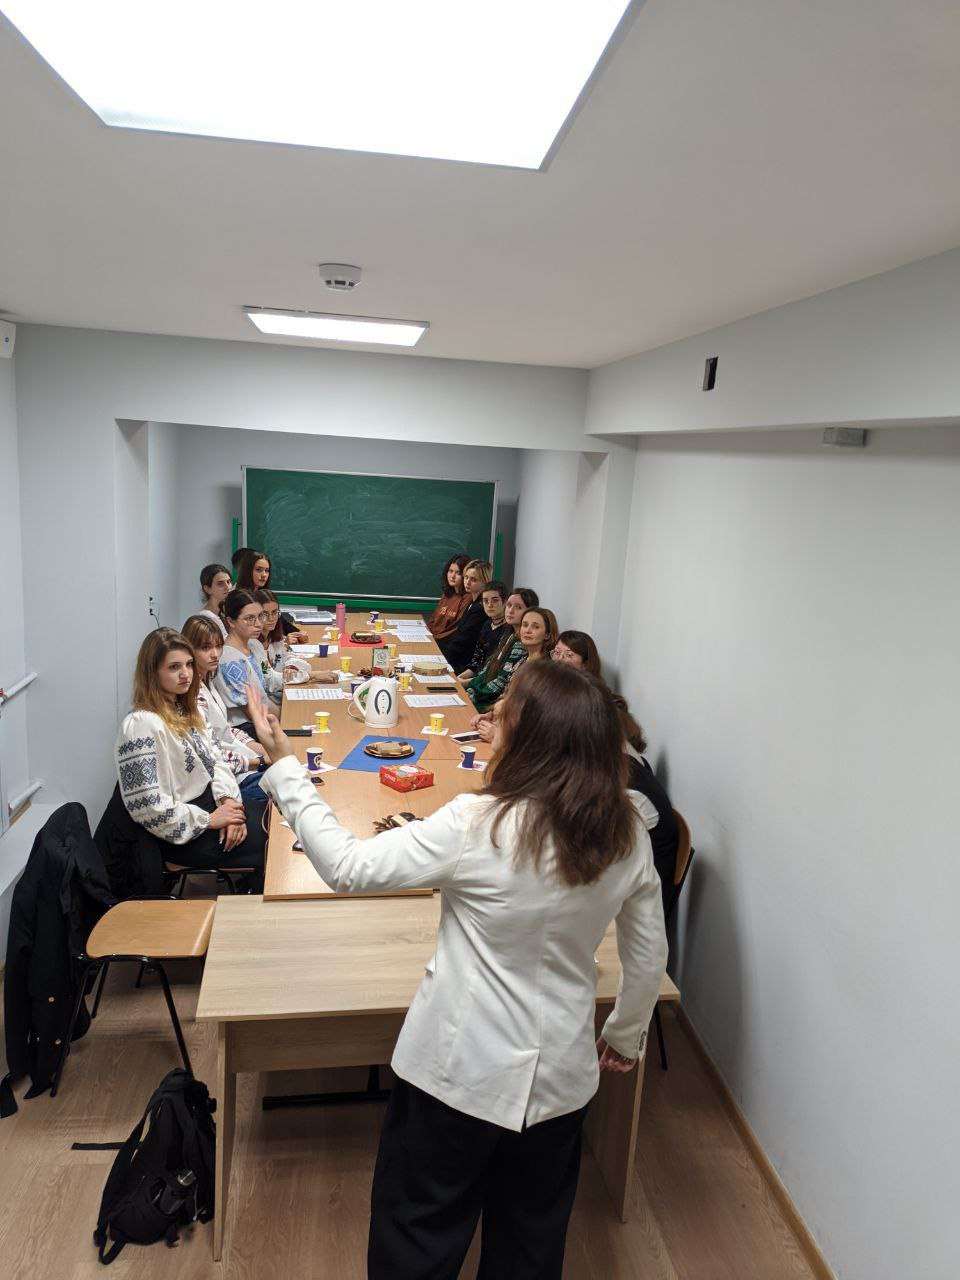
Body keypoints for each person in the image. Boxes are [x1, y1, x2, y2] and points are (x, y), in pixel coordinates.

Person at [247, 661, 668, 1280]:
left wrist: (286, 767)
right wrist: (626, 1034)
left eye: (507, 711)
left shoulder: (478, 823)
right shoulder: (627, 830)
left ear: (533, 737)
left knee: (419, 1237)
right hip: (560, 1080)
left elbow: (346, 867)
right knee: (529, 1245)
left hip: (456, 1074)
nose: (494, 716)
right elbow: (648, 952)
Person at [108, 628, 265, 888]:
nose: (185, 674)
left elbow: (216, 761)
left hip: (214, 805)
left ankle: (253, 890)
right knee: (273, 843)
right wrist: (210, 820)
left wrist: (230, 804)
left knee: (278, 820)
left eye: (189, 664)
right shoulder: (140, 725)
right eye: (174, 667)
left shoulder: (186, 709)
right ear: (152, 672)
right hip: (182, 834)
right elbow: (148, 807)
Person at [181, 614, 269, 808]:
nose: (215, 654)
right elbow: (211, 757)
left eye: (218, 646)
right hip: (232, 780)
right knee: (289, 788)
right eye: (206, 648)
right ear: (189, 650)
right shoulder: (193, 696)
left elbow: (226, 730)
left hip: (243, 765)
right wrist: (260, 760)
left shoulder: (208, 681)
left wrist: (262, 748)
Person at [466, 587, 540, 717]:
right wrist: (470, 688)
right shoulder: (508, 634)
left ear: (530, 611)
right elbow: (488, 669)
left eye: (518, 607)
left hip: (492, 704)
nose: (510, 610)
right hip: (484, 697)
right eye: (509, 605)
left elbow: (501, 682)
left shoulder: (522, 644)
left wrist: (473, 696)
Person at [214, 589, 276, 733]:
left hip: (266, 718)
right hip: (248, 727)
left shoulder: (254, 644)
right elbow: (254, 713)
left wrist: (308, 675)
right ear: (231, 621)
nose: (259, 624)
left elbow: (269, 676)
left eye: (260, 616)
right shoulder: (228, 659)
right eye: (250, 619)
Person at [235, 548, 308, 642]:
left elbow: (280, 621)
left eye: (267, 570)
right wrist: (284, 641)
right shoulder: (239, 599)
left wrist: (298, 633)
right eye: (259, 570)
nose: (264, 575)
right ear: (247, 571)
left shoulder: (262, 593)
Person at [439, 558, 492, 671]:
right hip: (458, 659)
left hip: (463, 664)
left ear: (485, 582)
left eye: (473, 579)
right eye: (466, 577)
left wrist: (441, 660)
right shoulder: (473, 603)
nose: (467, 582)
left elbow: (463, 641)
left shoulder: (480, 608)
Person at [456, 579, 509, 681]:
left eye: (495, 600)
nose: (489, 605)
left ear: (505, 602)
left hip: (489, 682)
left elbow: (494, 672)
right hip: (476, 678)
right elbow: (476, 663)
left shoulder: (508, 630)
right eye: (485, 601)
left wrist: (465, 682)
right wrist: (458, 679)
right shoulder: (487, 625)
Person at [425, 554, 470, 643]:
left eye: (458, 573)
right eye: (450, 571)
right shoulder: (447, 594)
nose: (452, 576)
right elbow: (433, 620)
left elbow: (455, 629)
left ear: (465, 576)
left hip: (443, 643)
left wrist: (433, 639)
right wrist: (425, 633)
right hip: (432, 639)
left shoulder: (468, 598)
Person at [198, 563, 231, 638]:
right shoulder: (206, 617)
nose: (227, 587)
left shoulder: (225, 612)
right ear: (207, 589)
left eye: (228, 582)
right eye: (220, 584)